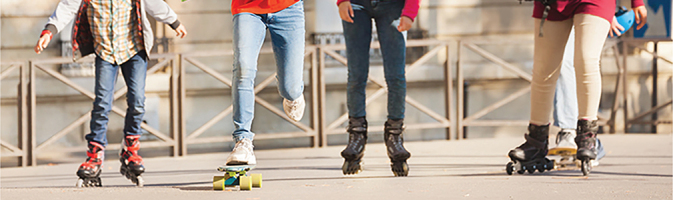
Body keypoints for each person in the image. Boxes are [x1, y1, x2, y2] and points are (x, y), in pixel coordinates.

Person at [34, 0, 187, 187]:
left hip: (134, 49)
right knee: (101, 104)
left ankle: (130, 149)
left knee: (137, 101)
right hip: (105, 52)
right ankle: (94, 155)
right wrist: (49, 30)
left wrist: (174, 22)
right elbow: (67, 6)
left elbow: (154, 3)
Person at [507, 0, 647, 175]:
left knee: (586, 61)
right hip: (552, 3)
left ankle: (587, 137)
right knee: (544, 70)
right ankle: (536, 142)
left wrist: (637, 2)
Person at [336, 0, 420, 177]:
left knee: (395, 76)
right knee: (356, 75)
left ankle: (395, 137)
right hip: (356, 4)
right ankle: (356, 136)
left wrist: (410, 10)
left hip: (393, 6)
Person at [224, 0, 307, 166]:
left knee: (290, 88)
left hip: (288, 7)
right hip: (247, 7)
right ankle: (243, 140)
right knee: (243, 68)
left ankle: (292, 93)